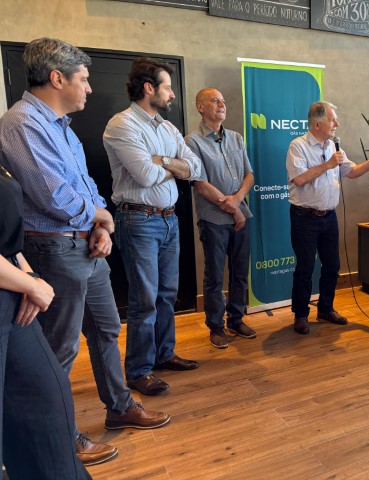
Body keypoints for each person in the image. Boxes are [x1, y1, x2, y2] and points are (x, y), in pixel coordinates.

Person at [0, 37, 170, 468]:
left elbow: (87, 184)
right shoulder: (22, 123)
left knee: (107, 329)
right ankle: (61, 436)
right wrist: (102, 217)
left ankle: (119, 406)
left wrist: (101, 224)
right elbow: (52, 195)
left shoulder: (60, 125)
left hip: (86, 244)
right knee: (58, 350)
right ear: (57, 78)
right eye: (84, 79)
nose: (90, 88)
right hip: (54, 248)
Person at [103, 57, 202, 396]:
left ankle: (163, 353)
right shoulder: (123, 124)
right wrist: (174, 166)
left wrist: (164, 161)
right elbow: (144, 175)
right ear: (149, 88)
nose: (172, 94)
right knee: (144, 299)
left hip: (169, 219)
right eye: (167, 87)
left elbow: (195, 167)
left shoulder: (167, 128)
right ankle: (138, 370)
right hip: (138, 220)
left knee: (166, 295)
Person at [0, 165, 92, 479]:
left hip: (12, 292)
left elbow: (8, 242)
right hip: (14, 287)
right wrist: (29, 284)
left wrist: (29, 276)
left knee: (46, 401)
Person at [286, 101, 369, 334]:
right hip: (305, 217)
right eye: (332, 120)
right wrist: (327, 164)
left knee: (333, 265)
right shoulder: (298, 146)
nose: (337, 123)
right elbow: (299, 179)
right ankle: (301, 315)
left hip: (329, 217)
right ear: (317, 123)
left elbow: (351, 172)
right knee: (305, 267)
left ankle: (325, 308)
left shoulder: (334, 147)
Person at [185, 88, 256, 349]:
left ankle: (236, 319)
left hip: (241, 215)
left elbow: (249, 175)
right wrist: (233, 208)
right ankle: (216, 326)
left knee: (240, 272)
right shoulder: (192, 141)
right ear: (201, 107)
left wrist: (238, 200)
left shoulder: (236, 138)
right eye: (215, 100)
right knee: (215, 276)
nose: (222, 104)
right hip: (214, 219)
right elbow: (200, 183)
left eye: (223, 101)